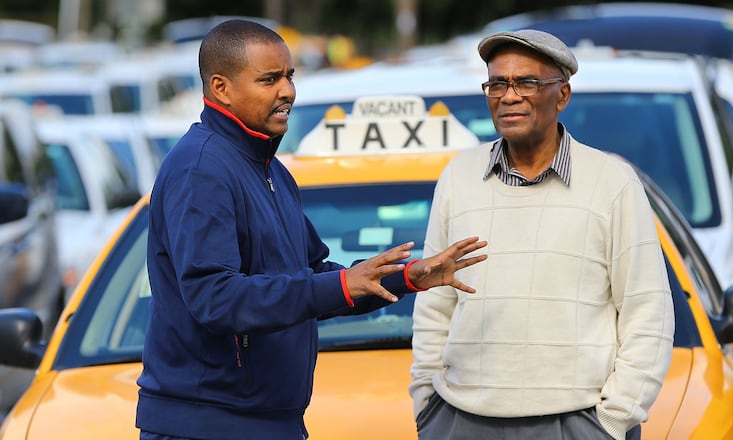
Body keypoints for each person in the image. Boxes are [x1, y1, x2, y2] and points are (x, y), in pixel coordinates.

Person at [135, 19, 487, 440]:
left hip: (266, 422)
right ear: (220, 88)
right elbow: (214, 298)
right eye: (269, 80)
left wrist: (405, 277)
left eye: (289, 76)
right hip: (210, 425)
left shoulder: (270, 170)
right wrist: (341, 285)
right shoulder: (201, 168)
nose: (287, 91)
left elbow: (314, 275)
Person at [409, 29, 675, 440]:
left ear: (562, 95)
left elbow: (648, 312)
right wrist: (428, 403)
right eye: (497, 83)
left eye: (526, 83)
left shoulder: (612, 181)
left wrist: (613, 421)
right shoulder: (458, 177)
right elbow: (434, 303)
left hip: (577, 421)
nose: (508, 96)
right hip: (460, 419)